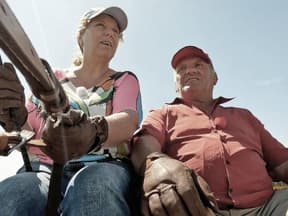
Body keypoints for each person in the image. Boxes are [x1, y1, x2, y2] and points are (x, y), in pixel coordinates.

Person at [0, 6, 142, 216]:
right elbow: (30, 131)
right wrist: (16, 116)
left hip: (104, 165)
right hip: (43, 169)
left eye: (115, 31)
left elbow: (128, 120)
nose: (110, 33)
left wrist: (93, 131)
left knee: (94, 187)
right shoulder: (48, 78)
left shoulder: (124, 79)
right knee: (15, 193)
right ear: (81, 36)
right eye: (100, 25)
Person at [130, 45, 288, 216]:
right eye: (181, 69)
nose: (189, 71)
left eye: (199, 65)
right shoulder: (162, 114)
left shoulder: (245, 116)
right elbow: (144, 143)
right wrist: (155, 163)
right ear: (176, 84)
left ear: (215, 78)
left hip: (270, 207)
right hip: (198, 209)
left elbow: (282, 163)